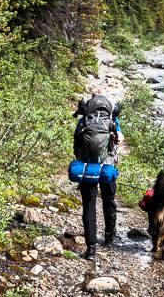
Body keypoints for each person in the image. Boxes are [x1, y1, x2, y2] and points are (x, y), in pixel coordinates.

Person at [73, 94, 121, 260]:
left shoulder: (84, 120)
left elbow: (76, 144)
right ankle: (109, 238)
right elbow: (120, 139)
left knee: (89, 206)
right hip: (107, 168)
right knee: (109, 200)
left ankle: (91, 249)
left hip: (87, 169)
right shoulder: (112, 121)